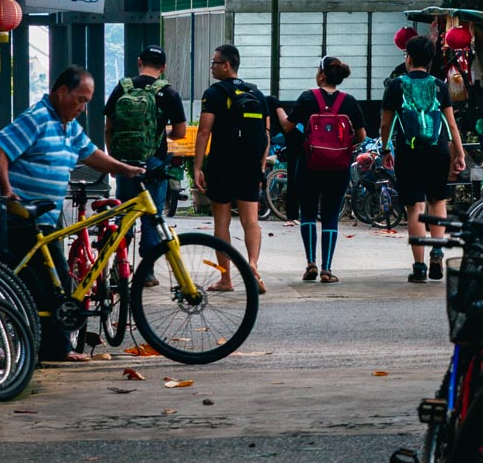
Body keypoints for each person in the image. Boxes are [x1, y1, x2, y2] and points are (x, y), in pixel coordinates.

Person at [0, 66, 144, 359]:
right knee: (52, 285)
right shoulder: (36, 119)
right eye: (80, 100)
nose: (83, 108)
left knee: (52, 284)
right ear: (61, 93)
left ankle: (52, 349)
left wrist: (126, 170)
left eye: (87, 101)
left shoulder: (68, 125)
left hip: (46, 218)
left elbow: (91, 154)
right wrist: (7, 188)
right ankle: (54, 350)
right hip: (22, 219)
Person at [380, 35, 466, 284]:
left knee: (414, 208)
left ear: (408, 57)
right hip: (437, 150)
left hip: (408, 151)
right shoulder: (439, 85)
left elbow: (386, 123)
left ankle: (419, 267)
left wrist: (385, 149)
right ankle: (437, 251)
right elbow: (451, 124)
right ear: (429, 61)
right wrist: (459, 153)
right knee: (437, 201)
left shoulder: (396, 86)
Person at [104, 45, 187, 284]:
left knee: (124, 215)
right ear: (163, 67)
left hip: (124, 162)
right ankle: (147, 273)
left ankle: (117, 271)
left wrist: (114, 158)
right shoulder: (168, 92)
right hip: (153, 162)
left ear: (140, 62)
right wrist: (159, 133)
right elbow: (180, 132)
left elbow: (109, 127)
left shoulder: (123, 87)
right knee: (151, 216)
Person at [279, 56, 366, 284]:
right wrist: (340, 146)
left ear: (322, 74)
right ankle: (327, 269)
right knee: (330, 217)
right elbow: (362, 136)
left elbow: (287, 126)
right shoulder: (349, 102)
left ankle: (310, 263)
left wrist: (279, 110)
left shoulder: (308, 97)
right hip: (338, 168)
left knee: (307, 213)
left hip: (309, 165)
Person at [194, 43, 268, 293]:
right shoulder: (256, 93)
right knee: (251, 222)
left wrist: (197, 166)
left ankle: (226, 279)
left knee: (221, 224)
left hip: (222, 165)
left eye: (215, 62)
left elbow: (204, 131)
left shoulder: (214, 93)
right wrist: (259, 165)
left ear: (227, 65)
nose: (212, 67)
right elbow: (265, 135)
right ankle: (253, 265)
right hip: (249, 165)